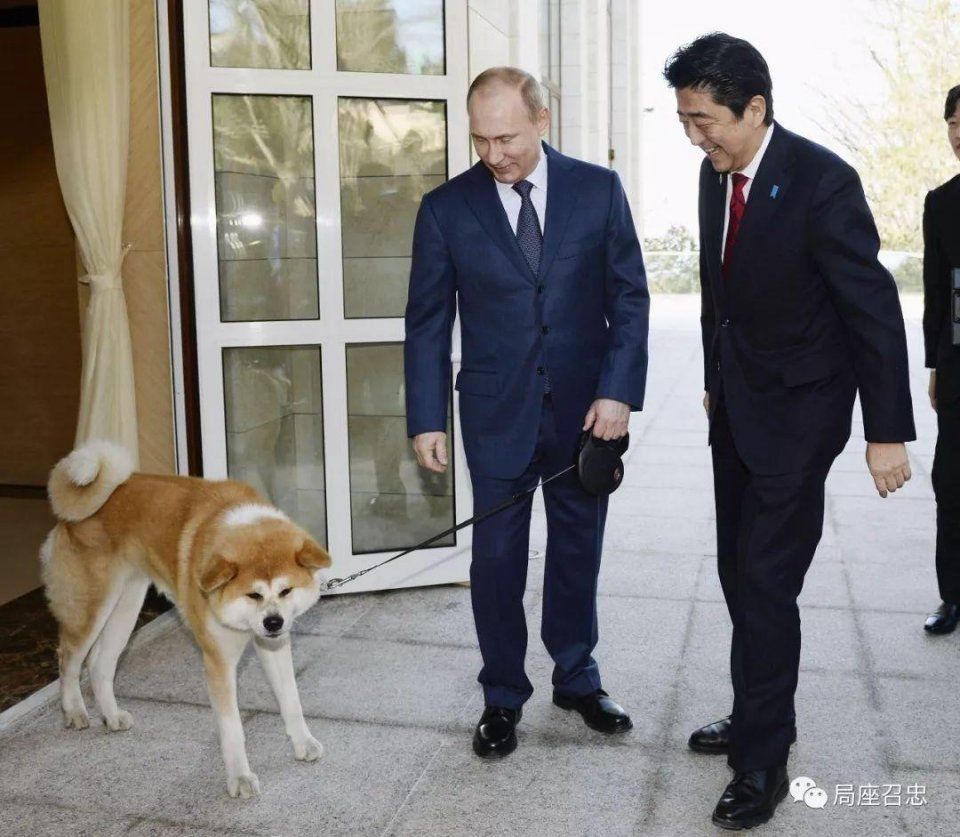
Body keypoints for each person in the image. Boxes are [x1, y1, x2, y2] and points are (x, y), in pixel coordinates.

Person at [663, 33, 916, 829]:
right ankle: (757, 711)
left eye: (706, 120)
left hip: (801, 416)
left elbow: (870, 308)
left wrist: (887, 431)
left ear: (756, 108)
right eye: (685, 120)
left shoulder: (821, 182)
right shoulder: (716, 178)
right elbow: (718, 295)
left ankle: (762, 762)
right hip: (736, 409)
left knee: (768, 582)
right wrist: (711, 382)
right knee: (742, 576)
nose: (696, 136)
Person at [404, 66, 649, 759]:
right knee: (498, 559)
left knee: (578, 549)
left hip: (583, 414)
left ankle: (578, 676)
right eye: (480, 139)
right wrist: (426, 417)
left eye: (506, 136)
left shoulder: (598, 190)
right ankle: (502, 694)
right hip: (495, 413)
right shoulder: (447, 208)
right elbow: (426, 322)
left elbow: (628, 298)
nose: (493, 154)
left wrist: (618, 389)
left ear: (543, 121)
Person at [922, 84, 960, 635]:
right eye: (953, 122)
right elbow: (936, 292)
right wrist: (935, 365)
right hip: (958, 365)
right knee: (950, 483)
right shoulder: (942, 202)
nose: (959, 134)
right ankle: (952, 596)